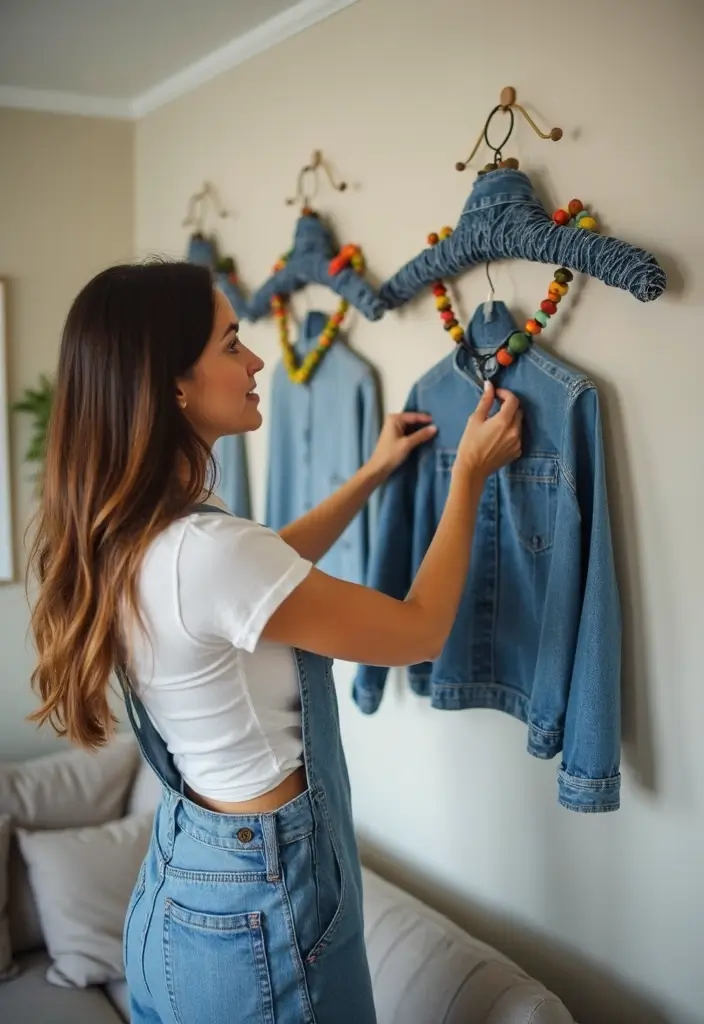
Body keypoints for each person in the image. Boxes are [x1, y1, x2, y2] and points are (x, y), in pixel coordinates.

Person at [27, 261, 522, 1024]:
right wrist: (469, 478)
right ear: (173, 385)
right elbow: (420, 629)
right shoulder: (207, 552)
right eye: (232, 344)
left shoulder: (139, 534)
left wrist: (371, 474)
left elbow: (263, 584)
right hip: (261, 910)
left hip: (180, 893)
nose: (257, 361)